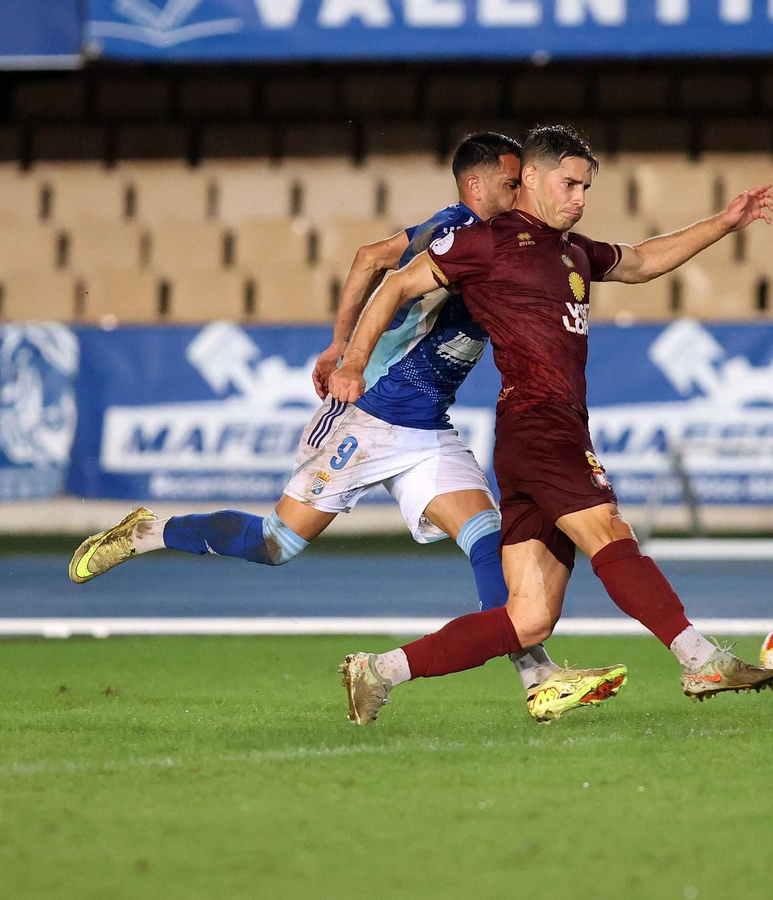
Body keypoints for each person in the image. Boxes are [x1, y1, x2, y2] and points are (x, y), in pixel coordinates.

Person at [68, 132, 625, 725]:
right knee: (276, 544)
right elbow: (371, 260)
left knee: (489, 538)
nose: (518, 195)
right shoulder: (456, 229)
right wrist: (343, 350)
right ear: (475, 185)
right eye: (510, 184)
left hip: (427, 428)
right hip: (370, 415)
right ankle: (149, 532)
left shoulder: (512, 243)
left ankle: (539, 679)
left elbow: (371, 257)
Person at [328, 125, 773, 723]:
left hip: (536, 435)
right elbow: (395, 284)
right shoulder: (486, 241)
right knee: (609, 532)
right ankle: (700, 659)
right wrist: (352, 361)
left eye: (586, 187)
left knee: (528, 620)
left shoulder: (573, 250)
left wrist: (724, 223)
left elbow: (644, 260)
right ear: (532, 178)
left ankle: (379, 671)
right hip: (540, 426)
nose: (579, 197)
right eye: (569, 184)